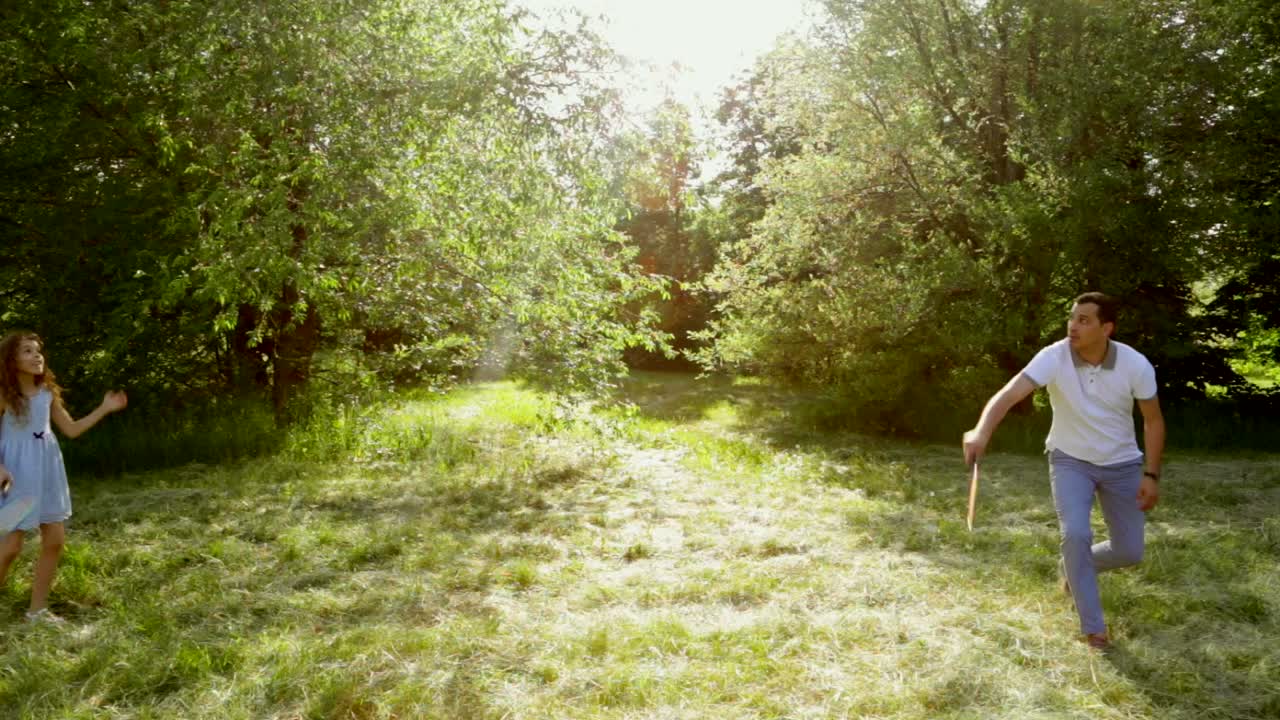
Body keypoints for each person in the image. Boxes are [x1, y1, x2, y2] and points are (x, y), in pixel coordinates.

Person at [962, 292, 1164, 651]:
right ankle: (1094, 630)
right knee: (1075, 535)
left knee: (1130, 551)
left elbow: (1152, 420)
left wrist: (1151, 474)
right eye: (1072, 317)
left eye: (1085, 320)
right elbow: (1008, 395)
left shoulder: (1135, 364)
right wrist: (981, 431)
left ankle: (1072, 567)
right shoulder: (1054, 356)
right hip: (1070, 460)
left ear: (1107, 328)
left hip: (1122, 464)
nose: (1073, 325)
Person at [0, 331, 127, 623]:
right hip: (16, 474)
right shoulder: (4, 394)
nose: (37, 356)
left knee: (54, 540)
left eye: (38, 350)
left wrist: (105, 408)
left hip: (47, 469)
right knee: (10, 547)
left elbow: (71, 430)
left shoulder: (46, 393)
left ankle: (37, 611)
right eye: (28, 351)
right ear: (11, 360)